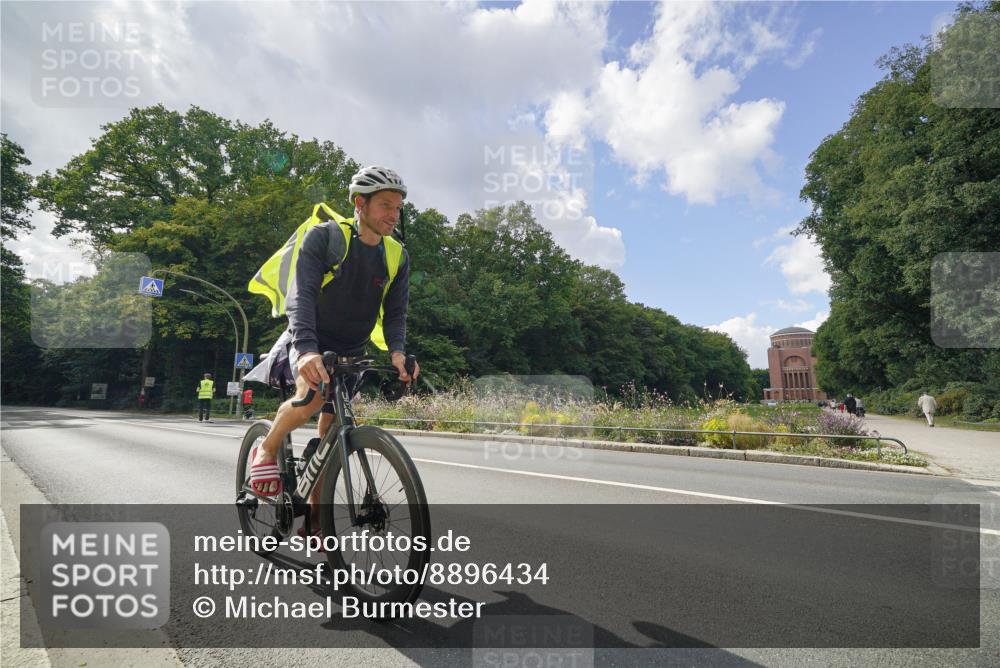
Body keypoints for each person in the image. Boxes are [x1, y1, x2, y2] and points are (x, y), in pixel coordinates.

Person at [244, 166, 421, 534]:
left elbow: (396, 313)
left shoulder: (396, 255)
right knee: (310, 399)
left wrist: (398, 353)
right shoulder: (325, 238)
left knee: (332, 436)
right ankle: (267, 448)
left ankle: (315, 520)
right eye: (385, 205)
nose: (394, 215)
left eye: (398, 207)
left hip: (352, 350)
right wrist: (307, 350)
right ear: (360, 204)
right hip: (310, 339)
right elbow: (302, 296)